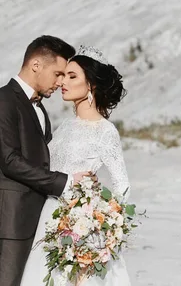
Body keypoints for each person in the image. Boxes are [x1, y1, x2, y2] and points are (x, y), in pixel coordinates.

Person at [0, 35, 94, 286]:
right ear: (36, 65)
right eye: (58, 73)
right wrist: (66, 183)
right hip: (10, 217)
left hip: (35, 215)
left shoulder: (38, 107)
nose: (60, 82)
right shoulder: (1, 100)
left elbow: (42, 159)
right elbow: (10, 160)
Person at [20, 45, 131, 286]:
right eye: (62, 75)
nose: (62, 82)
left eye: (72, 76)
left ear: (90, 84)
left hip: (79, 227)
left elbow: (122, 185)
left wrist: (101, 225)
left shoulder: (104, 131)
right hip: (48, 218)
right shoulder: (65, 126)